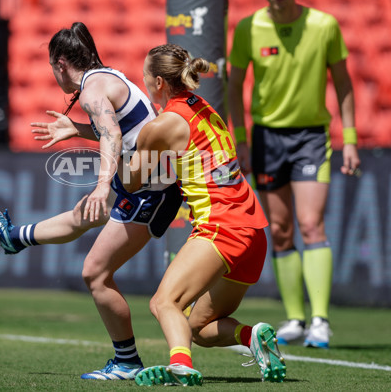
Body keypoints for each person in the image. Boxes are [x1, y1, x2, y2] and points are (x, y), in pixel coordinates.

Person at [0, 22, 183, 380]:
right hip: (147, 178)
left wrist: (103, 185)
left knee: (95, 273)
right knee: (82, 217)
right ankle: (15, 237)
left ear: (60, 64)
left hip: (151, 186)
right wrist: (78, 129)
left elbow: (113, 132)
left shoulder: (91, 90)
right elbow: (122, 126)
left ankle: (127, 362)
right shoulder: (106, 76)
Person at [121, 43, 286, 386]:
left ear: (160, 84)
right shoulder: (203, 106)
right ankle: (252, 336)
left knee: (164, 302)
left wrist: (112, 142)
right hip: (253, 231)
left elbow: (130, 182)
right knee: (200, 327)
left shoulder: (163, 124)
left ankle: (180, 365)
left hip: (221, 227)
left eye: (145, 78)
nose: (144, 84)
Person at [227, 0, 361, 349]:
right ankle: (295, 319)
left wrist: (350, 139)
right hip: (267, 138)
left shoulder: (324, 26)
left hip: (311, 137)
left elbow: (344, 85)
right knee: (281, 232)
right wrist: (241, 139)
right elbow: (234, 88)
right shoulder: (249, 27)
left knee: (310, 224)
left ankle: (320, 319)